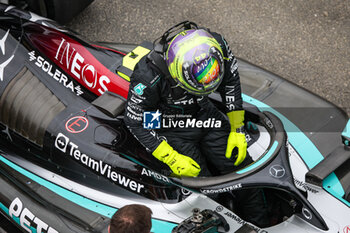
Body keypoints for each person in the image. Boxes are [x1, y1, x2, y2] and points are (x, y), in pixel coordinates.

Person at [124, 21, 269, 227]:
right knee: (203, 188)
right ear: (175, 72)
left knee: (242, 168)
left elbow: (230, 82)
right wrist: (171, 157)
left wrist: (238, 129)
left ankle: (260, 224)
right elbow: (135, 121)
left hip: (205, 114)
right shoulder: (148, 75)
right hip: (169, 127)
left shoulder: (217, 45)